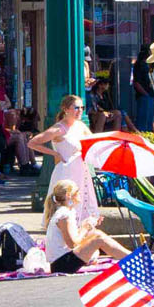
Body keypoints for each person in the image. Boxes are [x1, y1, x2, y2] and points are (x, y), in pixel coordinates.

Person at [29, 95, 100, 225]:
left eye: (82, 107)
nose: (80, 110)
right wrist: (54, 153)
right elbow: (32, 143)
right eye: (76, 107)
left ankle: (82, 226)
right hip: (66, 171)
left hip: (81, 169)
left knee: (82, 199)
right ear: (66, 109)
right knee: (65, 200)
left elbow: (93, 142)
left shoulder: (81, 126)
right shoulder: (59, 128)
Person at [42, 179, 130, 272]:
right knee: (99, 238)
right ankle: (132, 257)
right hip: (61, 264)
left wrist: (88, 226)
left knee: (94, 233)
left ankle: (130, 256)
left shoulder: (64, 212)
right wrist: (84, 228)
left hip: (61, 261)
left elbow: (72, 239)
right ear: (68, 195)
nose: (80, 193)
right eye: (77, 191)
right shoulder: (64, 214)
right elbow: (72, 244)